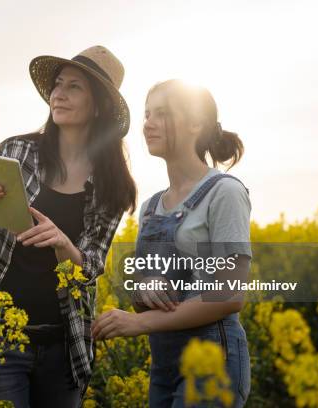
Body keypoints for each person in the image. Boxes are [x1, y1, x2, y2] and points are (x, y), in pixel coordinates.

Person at [0, 46, 137, 407]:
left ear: (98, 105)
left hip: (63, 344)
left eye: (74, 87)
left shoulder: (114, 185)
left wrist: (62, 245)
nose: (59, 94)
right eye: (57, 85)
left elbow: (91, 267)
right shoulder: (16, 152)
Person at [92, 79, 252, 407]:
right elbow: (144, 294)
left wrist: (139, 322)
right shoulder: (151, 207)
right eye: (147, 114)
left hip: (213, 362)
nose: (148, 123)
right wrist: (143, 291)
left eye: (162, 114)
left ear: (196, 123)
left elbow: (230, 295)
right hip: (164, 365)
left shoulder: (225, 193)